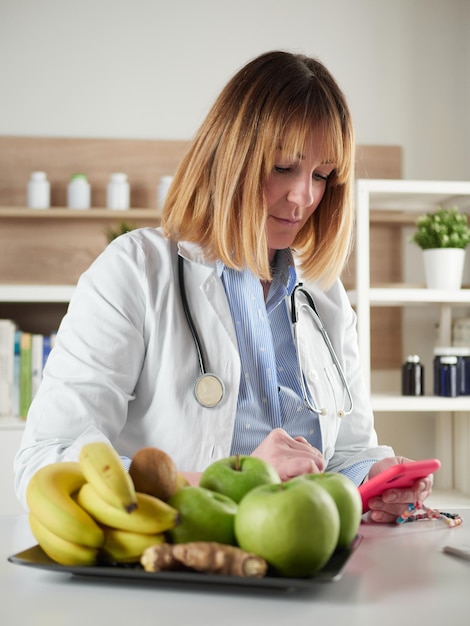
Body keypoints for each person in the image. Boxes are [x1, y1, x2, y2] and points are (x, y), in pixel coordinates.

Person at [14, 50, 433, 523]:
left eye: (321, 175)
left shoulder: (323, 295)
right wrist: (236, 479)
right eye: (284, 168)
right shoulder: (135, 270)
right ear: (232, 156)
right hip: (177, 564)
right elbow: (45, 461)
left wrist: (375, 477)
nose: (304, 197)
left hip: (306, 558)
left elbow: (342, 455)